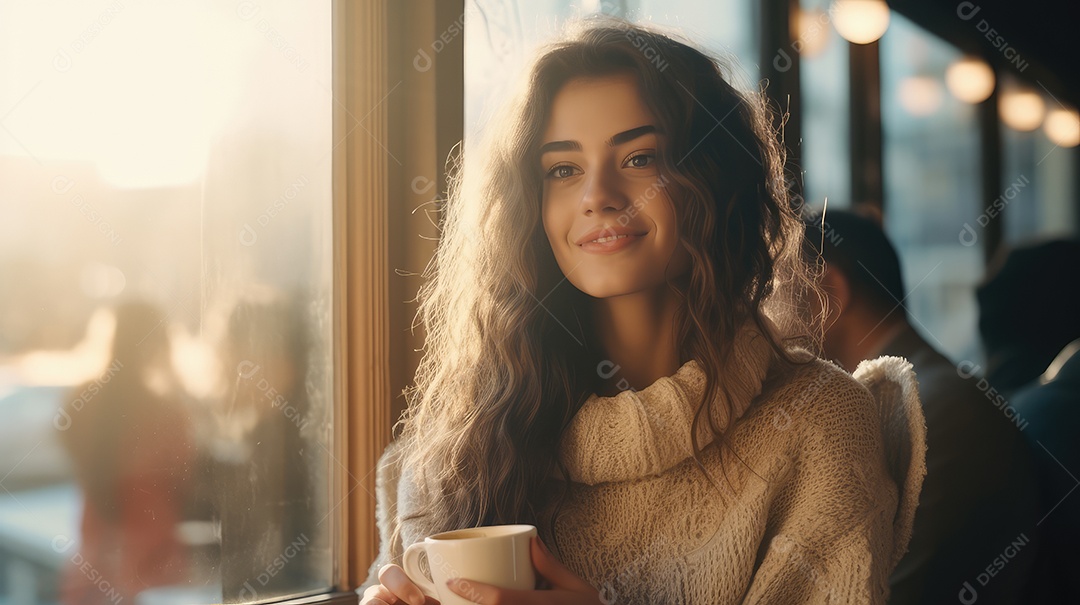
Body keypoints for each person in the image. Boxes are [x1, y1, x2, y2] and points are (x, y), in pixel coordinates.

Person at [361, 19, 926, 605]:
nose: (596, 194)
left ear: (714, 181)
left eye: (638, 158)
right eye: (563, 169)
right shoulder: (460, 450)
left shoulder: (820, 424)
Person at [803, 210, 1040, 604]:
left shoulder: (936, 412)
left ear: (827, 292)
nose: (761, 319)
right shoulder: (925, 400)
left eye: (773, 291)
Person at [57, 301, 194, 603]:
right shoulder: (166, 412)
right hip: (151, 545)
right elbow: (186, 475)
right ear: (159, 345)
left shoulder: (82, 402)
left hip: (97, 544)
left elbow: (70, 446)